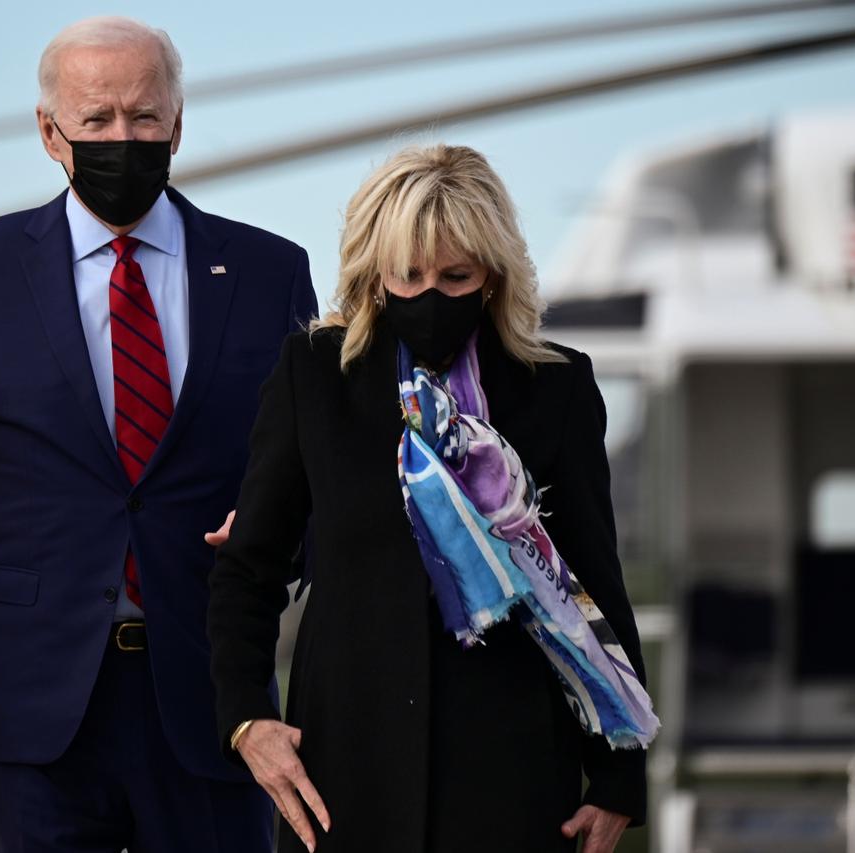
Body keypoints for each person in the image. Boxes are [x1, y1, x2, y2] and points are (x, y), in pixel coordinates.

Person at [0, 16, 317, 852]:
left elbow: (319, 486)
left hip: (216, 697)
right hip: (32, 704)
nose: (124, 137)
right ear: (50, 131)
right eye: (98, 119)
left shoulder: (269, 272)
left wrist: (287, 550)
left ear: (178, 121)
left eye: (144, 118)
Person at [206, 144, 658, 853]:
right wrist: (247, 719)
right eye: (407, 275)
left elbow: (595, 583)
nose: (429, 296)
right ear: (374, 273)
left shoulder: (558, 388)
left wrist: (618, 778)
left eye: (455, 275)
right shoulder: (318, 376)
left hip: (512, 775)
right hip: (344, 775)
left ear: (492, 275)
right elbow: (248, 569)